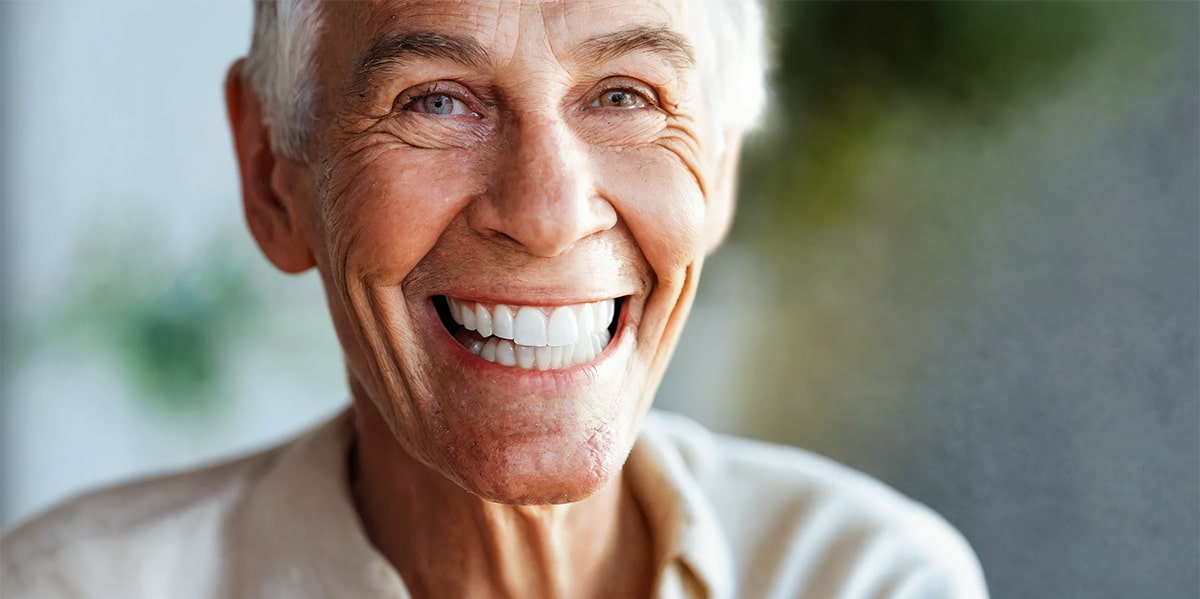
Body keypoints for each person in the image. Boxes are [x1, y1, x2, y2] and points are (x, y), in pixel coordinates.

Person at [1, 1, 989, 597]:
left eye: (625, 95)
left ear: (719, 165)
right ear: (273, 174)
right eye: (435, 98)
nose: (547, 212)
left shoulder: (866, 577)